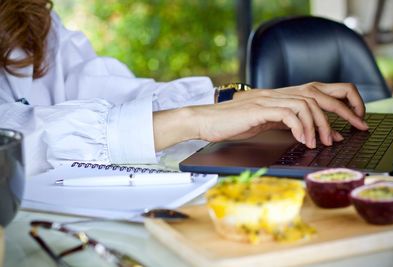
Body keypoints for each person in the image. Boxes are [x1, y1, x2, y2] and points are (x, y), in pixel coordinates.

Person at [0, 0, 368, 176]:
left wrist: (230, 100)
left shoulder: (30, 14)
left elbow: (96, 90)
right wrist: (190, 120)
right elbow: (14, 138)